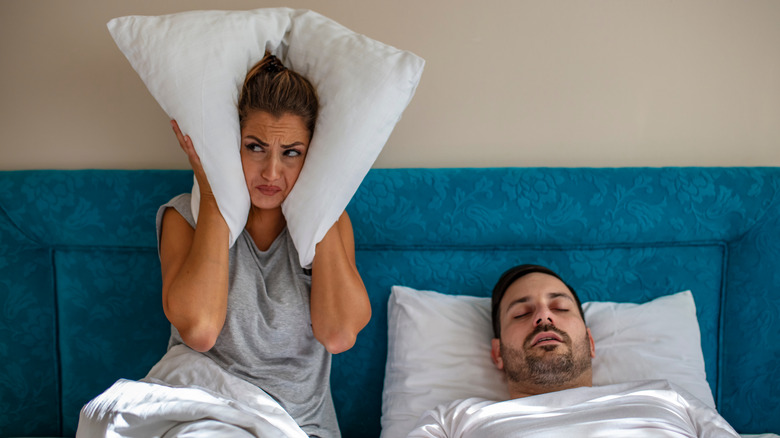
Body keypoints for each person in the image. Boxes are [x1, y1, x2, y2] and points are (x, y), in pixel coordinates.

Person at [78, 53, 370, 437]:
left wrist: (325, 187)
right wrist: (214, 196)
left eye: (291, 153)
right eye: (254, 147)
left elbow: (338, 334)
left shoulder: (329, 225)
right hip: (205, 414)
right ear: (233, 143)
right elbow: (200, 330)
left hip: (299, 427)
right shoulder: (184, 217)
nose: (271, 172)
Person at [407, 264, 739, 437]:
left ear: (591, 342)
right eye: (522, 313)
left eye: (560, 308)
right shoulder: (454, 420)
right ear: (498, 354)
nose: (543, 316)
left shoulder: (667, 397)